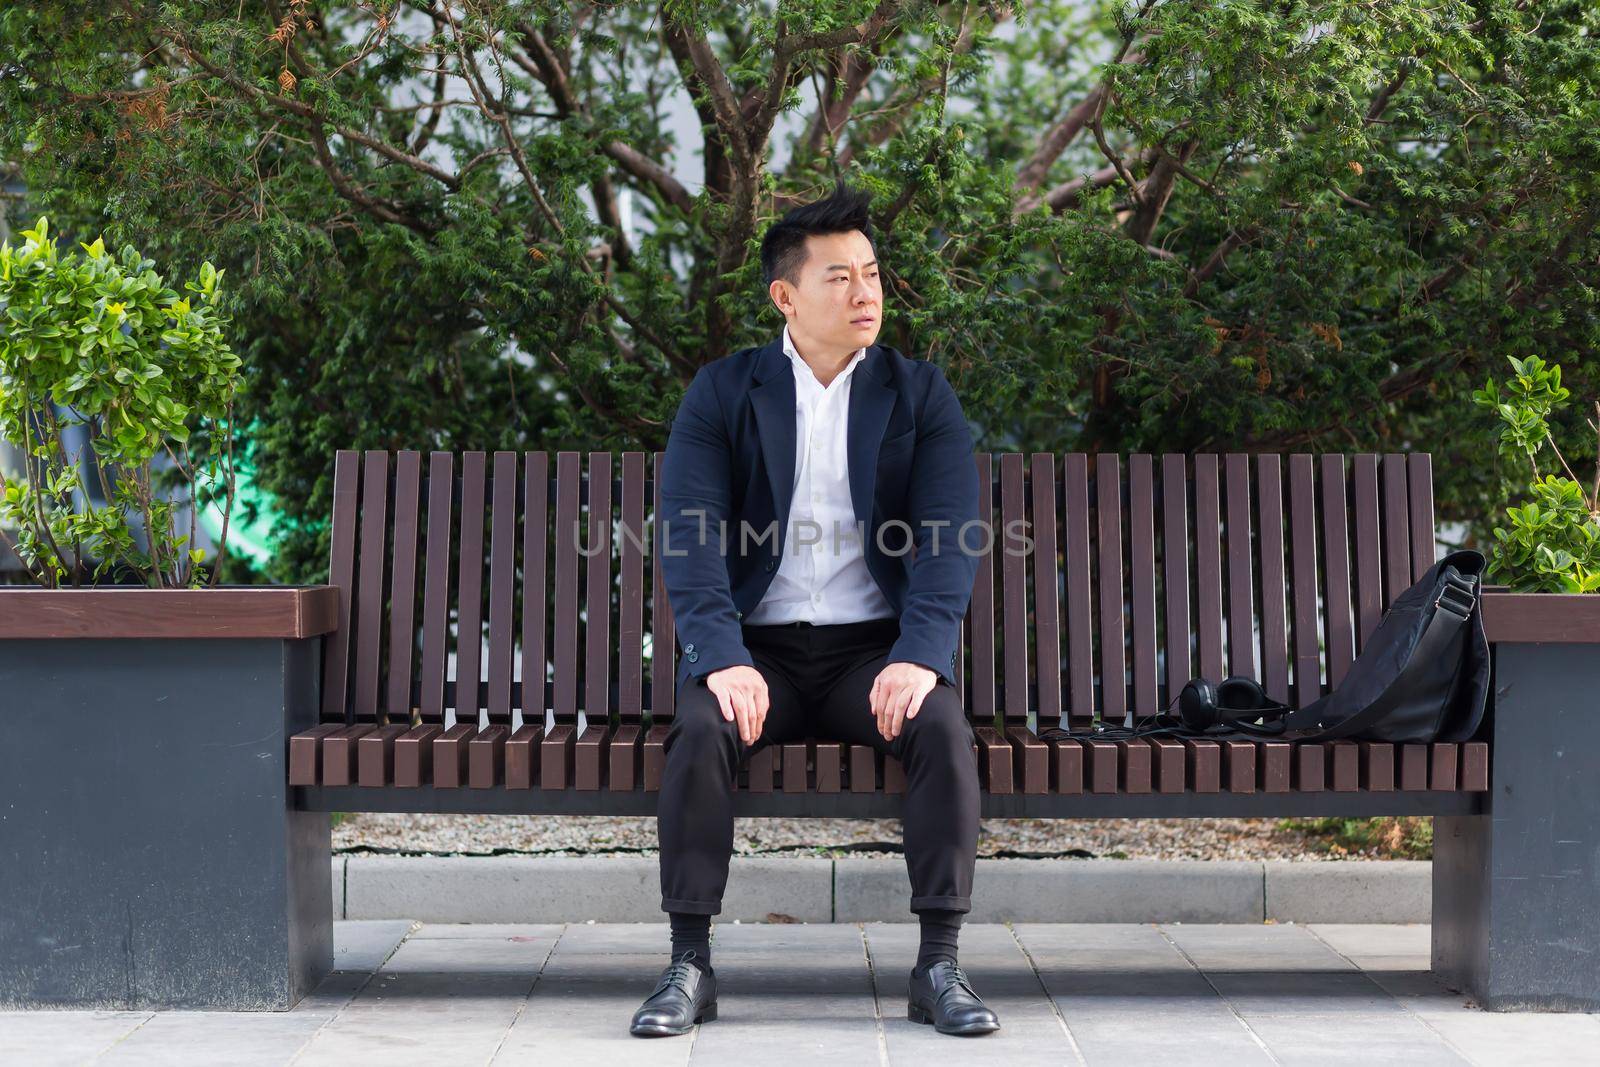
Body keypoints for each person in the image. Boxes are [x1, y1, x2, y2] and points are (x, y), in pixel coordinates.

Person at [630, 180, 998, 1039]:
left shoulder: (919, 393)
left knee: (942, 727)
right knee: (699, 727)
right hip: (757, 652)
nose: (866, 292)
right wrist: (719, 655)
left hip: (872, 654)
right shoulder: (725, 392)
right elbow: (688, 534)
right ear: (785, 295)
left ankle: (938, 963)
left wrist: (921, 653)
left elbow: (950, 536)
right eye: (840, 277)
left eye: (871, 272)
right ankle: (689, 962)